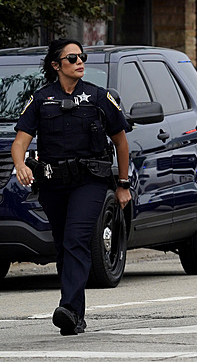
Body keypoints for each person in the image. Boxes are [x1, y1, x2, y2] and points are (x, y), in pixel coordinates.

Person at [11, 39, 131, 335]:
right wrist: (21, 165)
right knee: (64, 243)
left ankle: (67, 306)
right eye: (73, 57)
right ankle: (74, 314)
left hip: (89, 181)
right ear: (56, 65)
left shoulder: (98, 97)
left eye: (82, 56)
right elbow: (20, 142)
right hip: (53, 183)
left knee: (76, 238)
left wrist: (123, 184)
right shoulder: (41, 99)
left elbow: (121, 141)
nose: (80, 62)